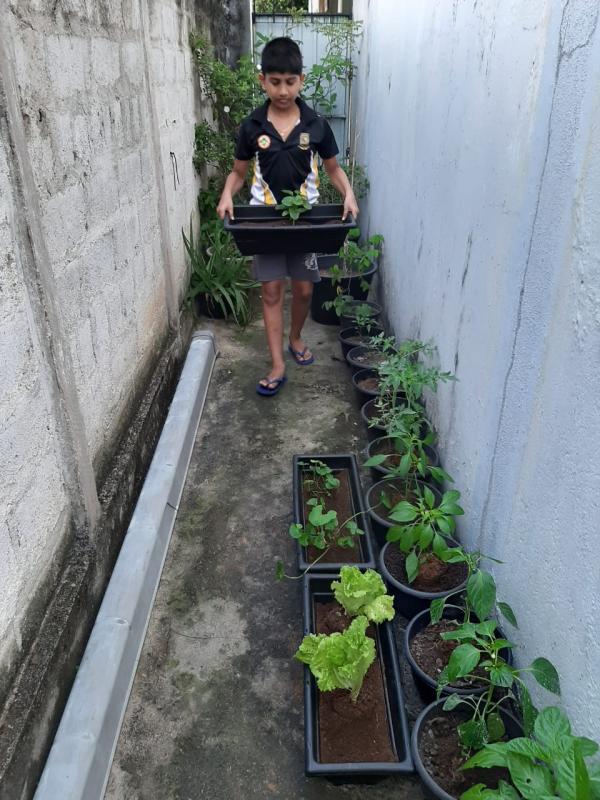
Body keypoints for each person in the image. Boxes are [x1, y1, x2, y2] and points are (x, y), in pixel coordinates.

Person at [216, 36, 359, 396]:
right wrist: (227, 194)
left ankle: (295, 337)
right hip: (264, 223)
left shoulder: (315, 124)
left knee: (305, 290)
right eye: (275, 82)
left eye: (290, 82)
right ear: (262, 80)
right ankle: (277, 363)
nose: (283, 90)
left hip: (305, 224)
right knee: (271, 291)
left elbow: (332, 168)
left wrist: (348, 193)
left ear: (301, 80)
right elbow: (238, 172)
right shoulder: (252, 126)